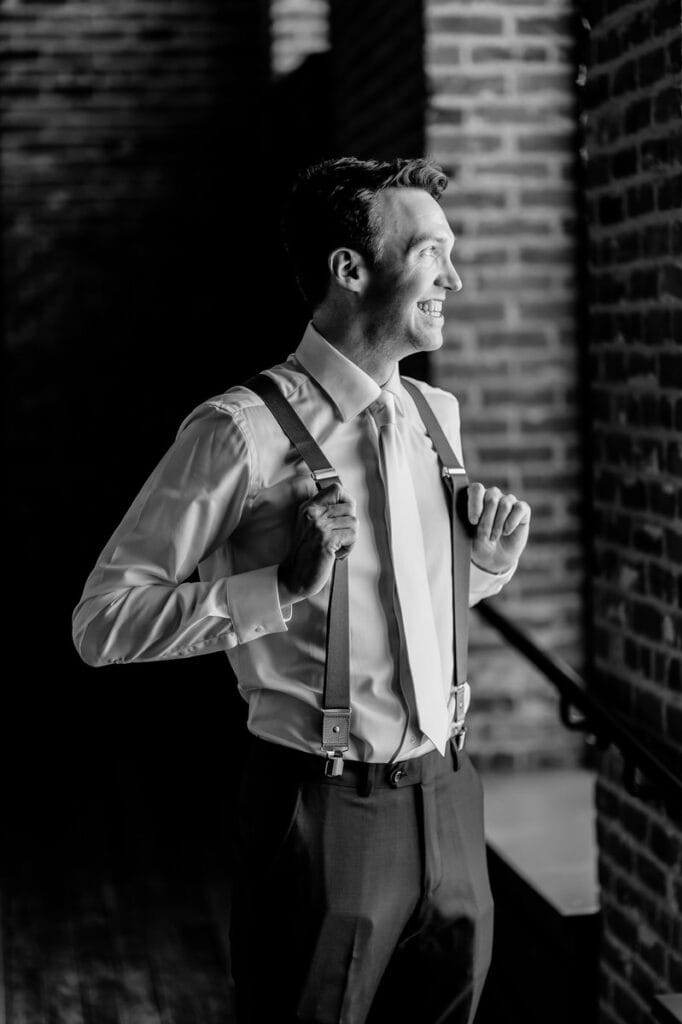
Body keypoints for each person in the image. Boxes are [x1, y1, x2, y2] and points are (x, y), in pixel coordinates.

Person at [73, 157, 530, 1024]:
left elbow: (403, 607)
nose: (454, 278)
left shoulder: (438, 417)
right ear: (350, 269)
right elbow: (102, 622)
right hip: (322, 811)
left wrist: (490, 562)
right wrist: (277, 586)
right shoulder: (238, 431)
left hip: (451, 792)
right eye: (431, 252)